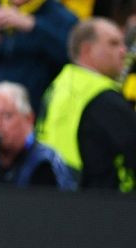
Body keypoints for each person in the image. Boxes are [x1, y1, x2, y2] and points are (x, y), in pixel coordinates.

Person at [38, 18, 136, 191]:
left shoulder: (58, 86)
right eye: (113, 44)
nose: (123, 51)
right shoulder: (103, 97)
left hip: (54, 192)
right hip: (100, 199)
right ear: (87, 50)